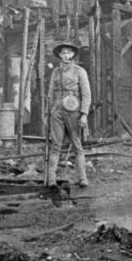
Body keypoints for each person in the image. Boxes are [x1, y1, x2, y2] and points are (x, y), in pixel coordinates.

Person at [46, 41, 92, 187]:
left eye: (68, 52)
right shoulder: (55, 72)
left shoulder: (80, 71)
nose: (65, 55)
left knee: (77, 144)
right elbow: (50, 93)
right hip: (57, 110)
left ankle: (83, 178)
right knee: (55, 145)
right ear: (59, 55)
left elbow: (86, 94)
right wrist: (48, 112)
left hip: (74, 110)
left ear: (73, 54)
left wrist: (84, 114)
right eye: (63, 52)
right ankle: (51, 179)